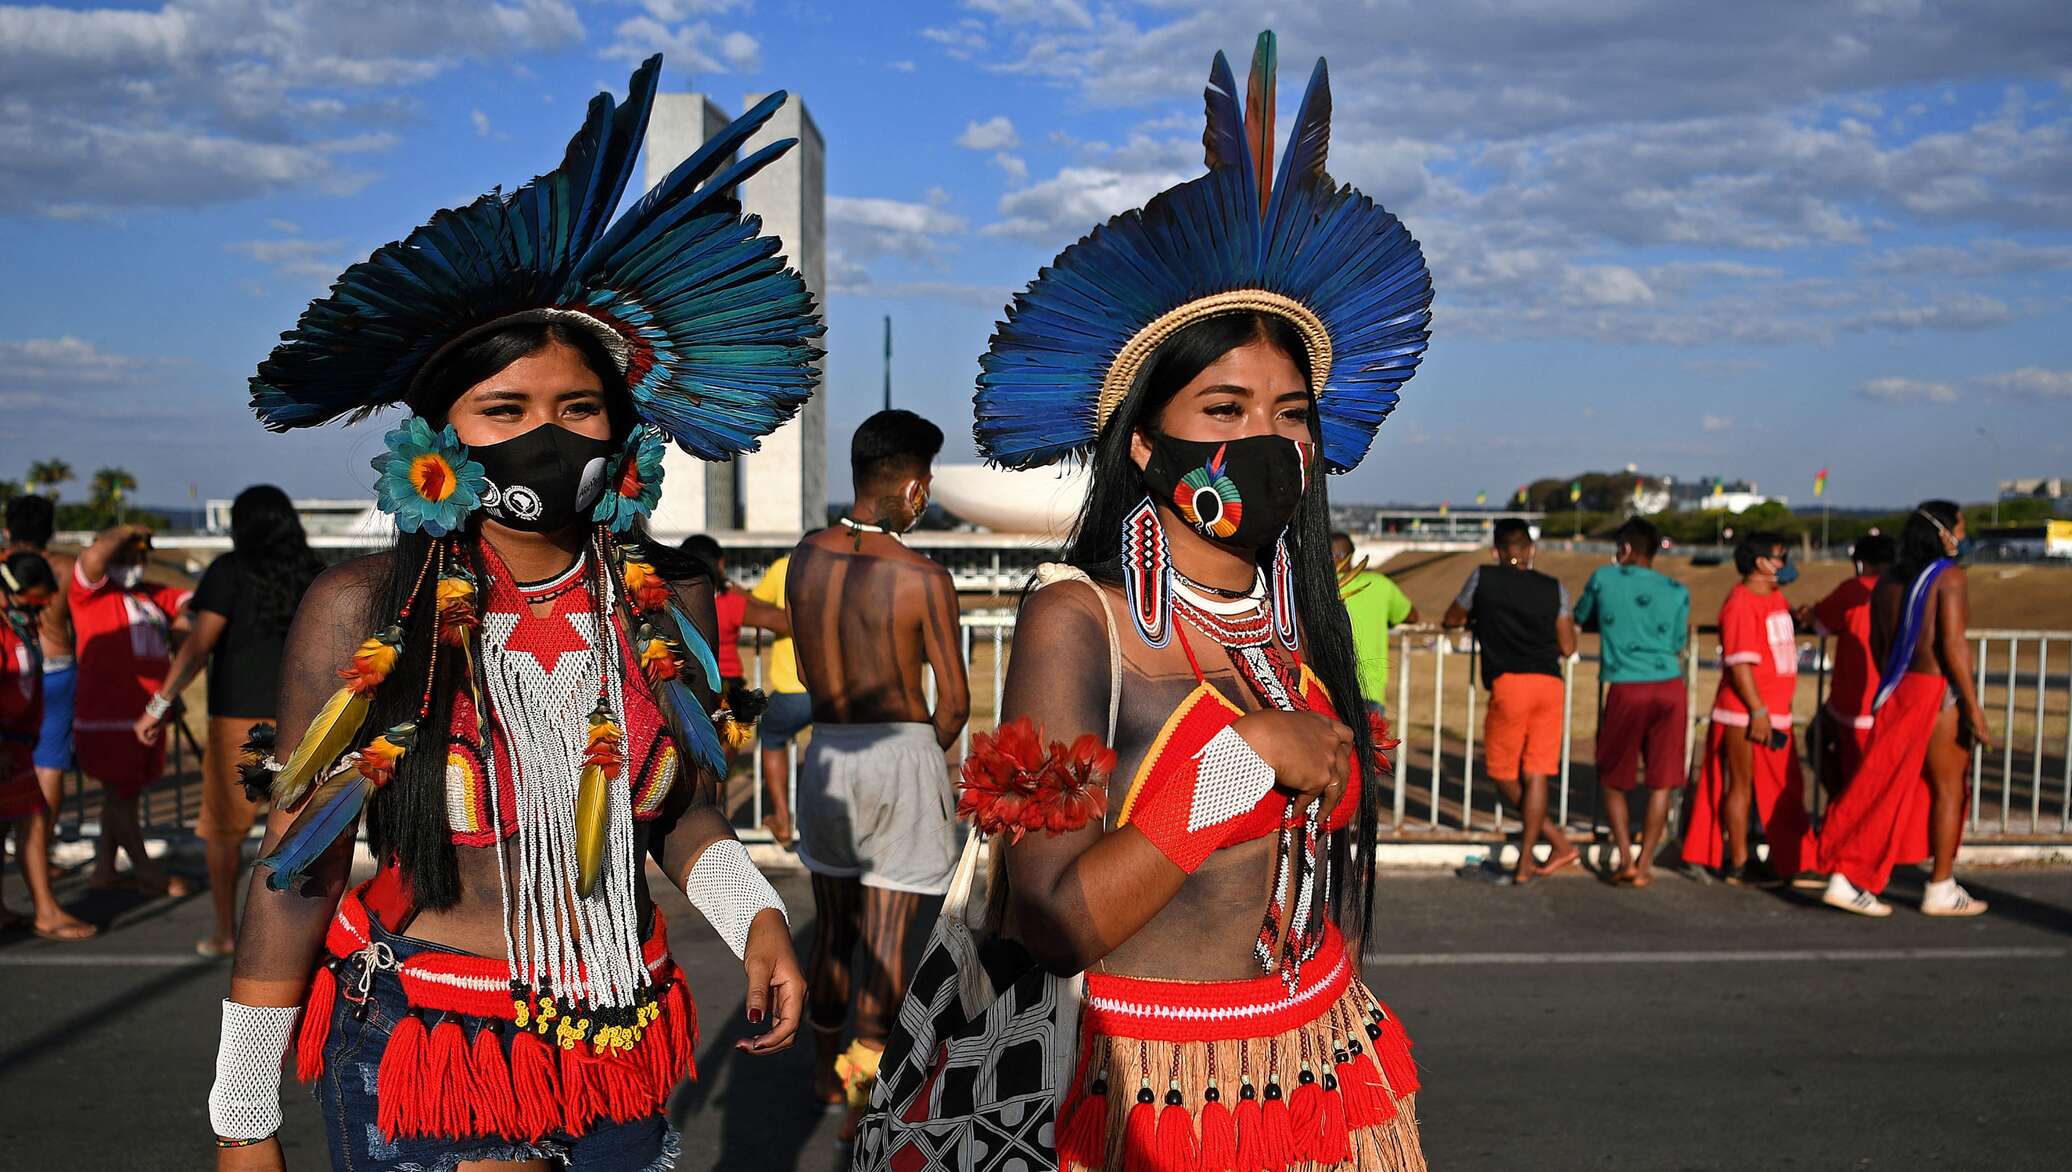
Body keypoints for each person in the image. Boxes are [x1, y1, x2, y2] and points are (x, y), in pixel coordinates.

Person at [209, 57, 817, 1169]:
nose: (548, 433)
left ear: (621, 431)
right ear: (439, 439)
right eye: (505, 408)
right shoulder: (362, 611)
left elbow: (673, 808)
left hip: (622, 1035)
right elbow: (295, 864)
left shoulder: (654, 600)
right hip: (428, 1042)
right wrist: (243, 1113)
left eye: (577, 406)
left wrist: (755, 918)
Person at [932, 33, 1434, 1170]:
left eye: (1291, 413)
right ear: (1148, 443)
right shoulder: (1081, 620)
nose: (1265, 440)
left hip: (1312, 1064)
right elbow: (1050, 914)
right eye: (1223, 409)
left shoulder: (1288, 620)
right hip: (1143, 1102)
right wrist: (1239, 759)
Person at [785, 408, 969, 1129]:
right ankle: (866, 1091)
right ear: (913, 487)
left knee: (833, 927)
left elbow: (804, 668)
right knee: (889, 938)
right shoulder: (923, 577)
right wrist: (929, 752)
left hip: (828, 748)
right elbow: (952, 702)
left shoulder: (805, 555)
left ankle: (827, 1076)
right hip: (899, 753)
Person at [134, 485, 324, 957]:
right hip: (306, 720)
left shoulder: (229, 572)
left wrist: (158, 704)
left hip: (239, 721)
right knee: (305, 829)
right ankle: (301, 940)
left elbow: (200, 643)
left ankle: (226, 931)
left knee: (224, 831)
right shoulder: (314, 572)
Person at [1817, 503, 1992, 917]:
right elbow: (1952, 645)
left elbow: (1881, 648)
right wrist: (1973, 707)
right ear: (1945, 534)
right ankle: (1941, 886)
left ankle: (1847, 874)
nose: (1963, 538)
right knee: (1949, 787)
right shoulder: (1948, 577)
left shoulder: (1887, 583)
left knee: (1881, 785)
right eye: (1960, 529)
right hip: (1936, 691)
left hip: (1897, 689)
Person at [1444, 519, 1580, 884]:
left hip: (1509, 684)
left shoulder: (1483, 577)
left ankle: (1554, 841)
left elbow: (1452, 618)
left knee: (1504, 774)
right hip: (1550, 684)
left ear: (1497, 551)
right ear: (1531, 549)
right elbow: (1568, 646)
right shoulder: (1554, 588)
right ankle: (1530, 860)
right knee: (1537, 772)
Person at [1680, 532, 1816, 887]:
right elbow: (1740, 665)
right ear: (1760, 563)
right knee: (1741, 787)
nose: (1786, 562)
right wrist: (1757, 711)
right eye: (1779, 556)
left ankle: (1786, 858)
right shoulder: (1740, 602)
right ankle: (1738, 861)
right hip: (1747, 714)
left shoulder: (1774, 598)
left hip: (1773, 712)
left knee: (1782, 789)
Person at [69, 523, 194, 896]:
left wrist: (185, 616)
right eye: (125, 557)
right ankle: (146, 872)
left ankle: (104, 869)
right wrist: (124, 531)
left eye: (139, 557)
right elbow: (91, 560)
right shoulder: (89, 594)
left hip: (145, 714)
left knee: (122, 795)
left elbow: (188, 599)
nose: (133, 564)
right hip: (107, 716)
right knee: (120, 799)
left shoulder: (147, 596)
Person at [1573, 517, 1690, 887]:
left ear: (1624, 549)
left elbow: (1580, 615)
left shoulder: (1604, 578)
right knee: (1661, 782)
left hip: (1627, 686)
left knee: (1614, 777)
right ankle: (1645, 864)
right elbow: (1675, 642)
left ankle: (1624, 858)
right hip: (1670, 685)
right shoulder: (1677, 588)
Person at [6, 494, 93, 924]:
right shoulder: (58, 565)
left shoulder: (11, 574)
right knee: (41, 794)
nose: (38, 610)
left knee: (31, 803)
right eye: (32, 604)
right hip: (44, 684)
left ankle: (30, 889)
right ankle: (43, 899)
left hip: (23, 696)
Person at [1804, 534, 1896, 796]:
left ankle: (1840, 808)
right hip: (1889, 698)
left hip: (1853, 700)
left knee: (1847, 771)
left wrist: (1807, 615)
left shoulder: (1854, 589)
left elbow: (1821, 619)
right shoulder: (1903, 589)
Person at [748, 552, 809, 845]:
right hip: (836, 688)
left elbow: (755, 604)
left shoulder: (785, 566)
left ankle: (783, 819)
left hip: (793, 688)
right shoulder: (844, 564)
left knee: (771, 736)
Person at [1333, 531, 1418, 715]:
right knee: (1371, 742)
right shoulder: (1379, 584)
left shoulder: (1319, 586)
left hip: (1330, 688)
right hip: (1371, 688)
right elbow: (1411, 615)